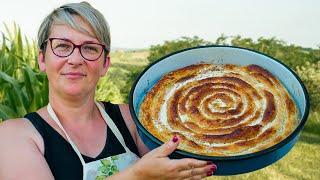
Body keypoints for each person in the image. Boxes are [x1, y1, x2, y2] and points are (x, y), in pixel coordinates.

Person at [0, 2, 217, 180]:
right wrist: (137, 175)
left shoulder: (131, 120)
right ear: (42, 59)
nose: (75, 59)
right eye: (62, 46)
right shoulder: (15, 136)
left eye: (90, 48)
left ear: (105, 64)